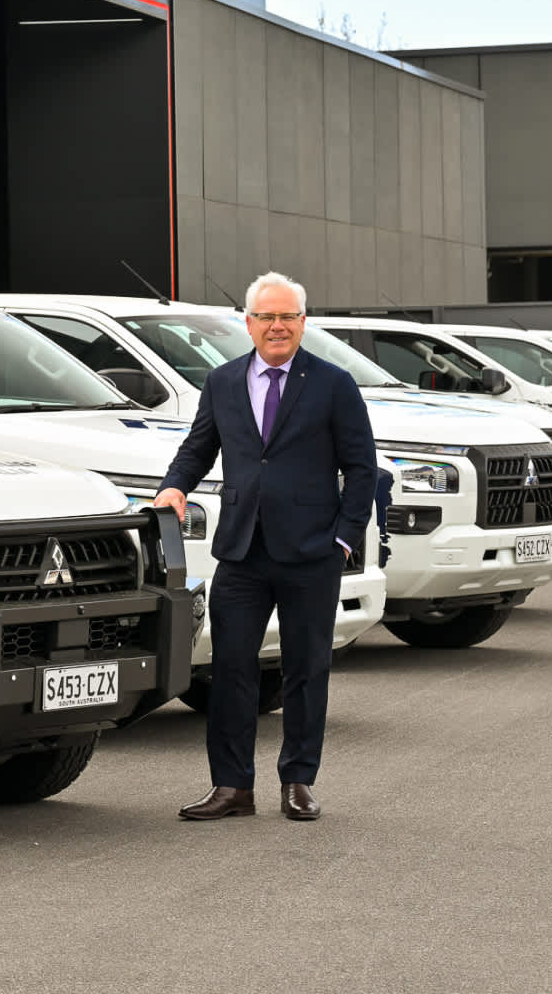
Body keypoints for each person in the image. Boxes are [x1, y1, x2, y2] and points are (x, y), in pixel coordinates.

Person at [151, 271, 376, 822]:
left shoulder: (333, 383)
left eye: (287, 317)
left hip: (311, 553)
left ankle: (298, 781)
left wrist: (344, 539)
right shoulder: (223, 382)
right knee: (230, 669)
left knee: (305, 670)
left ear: (303, 322)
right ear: (248, 323)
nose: (277, 326)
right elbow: (198, 447)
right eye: (266, 317)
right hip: (242, 551)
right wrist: (174, 486)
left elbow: (362, 468)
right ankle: (232, 787)